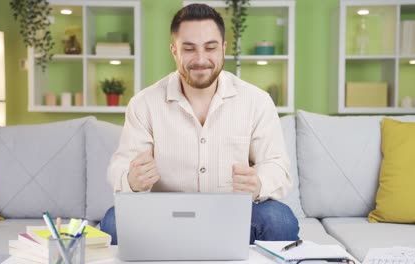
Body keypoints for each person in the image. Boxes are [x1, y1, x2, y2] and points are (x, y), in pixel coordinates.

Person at [101, 3, 299, 245]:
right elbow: (120, 165)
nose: (201, 59)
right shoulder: (144, 104)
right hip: (165, 216)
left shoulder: (256, 101)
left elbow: (278, 166)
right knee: (113, 221)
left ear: (223, 48)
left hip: (233, 215)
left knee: (280, 220)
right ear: (174, 51)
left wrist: (258, 183)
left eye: (210, 47)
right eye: (189, 49)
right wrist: (131, 179)